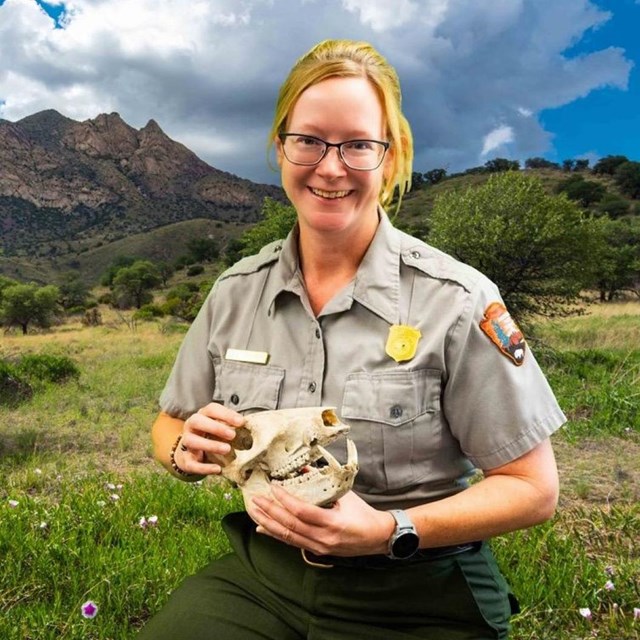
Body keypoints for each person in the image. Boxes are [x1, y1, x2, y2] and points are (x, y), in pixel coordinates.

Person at [139, 39, 564, 640]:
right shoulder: (236, 292)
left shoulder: (456, 298)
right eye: (309, 140)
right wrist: (186, 451)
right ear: (280, 148)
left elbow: (532, 489)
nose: (330, 166)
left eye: (358, 145)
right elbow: (168, 424)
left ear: (390, 160)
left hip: (419, 584)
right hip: (269, 578)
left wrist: (389, 531)